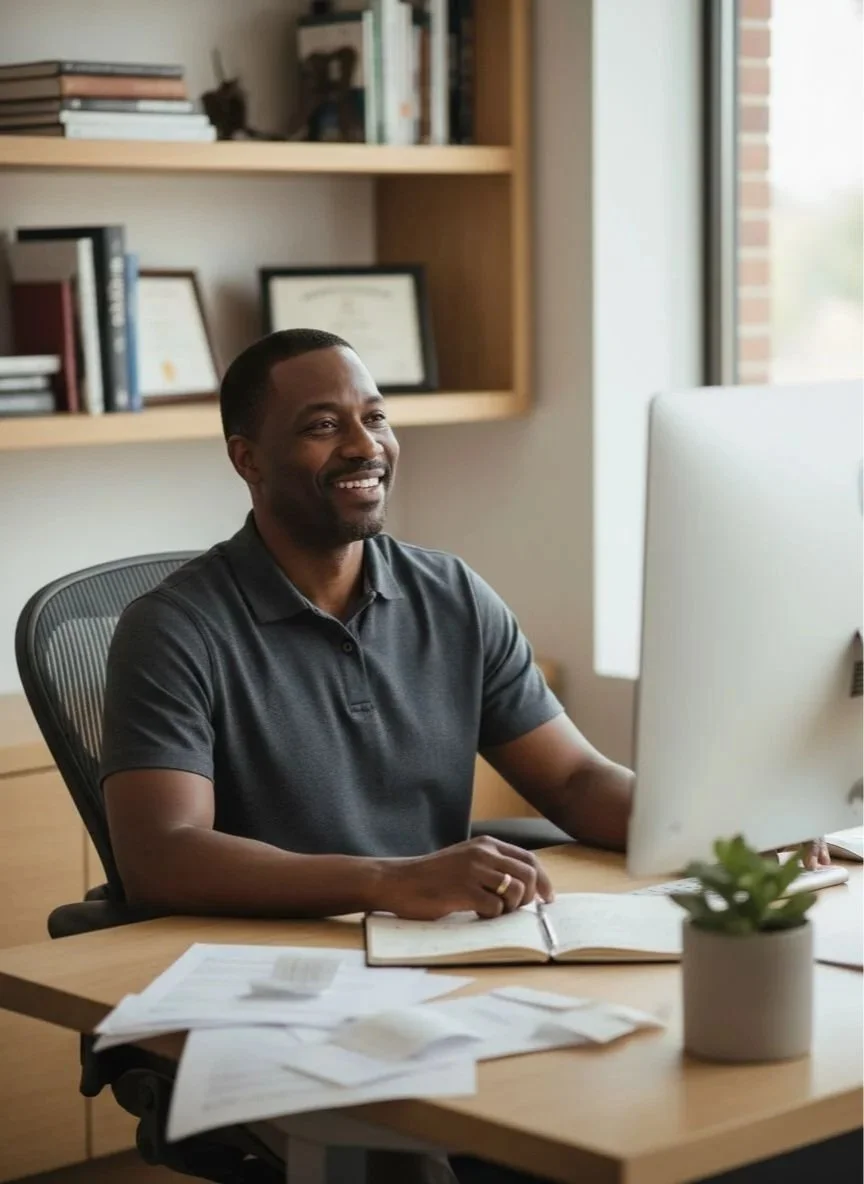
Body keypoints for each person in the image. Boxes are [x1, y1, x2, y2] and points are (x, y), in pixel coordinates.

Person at [100, 329, 830, 1184]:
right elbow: (162, 857)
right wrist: (391, 879)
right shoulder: (174, 629)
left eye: (375, 417)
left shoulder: (448, 593)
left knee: (687, 1105)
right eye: (323, 425)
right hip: (285, 988)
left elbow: (573, 777)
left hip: (439, 969)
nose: (365, 445)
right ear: (246, 457)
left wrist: (726, 832)